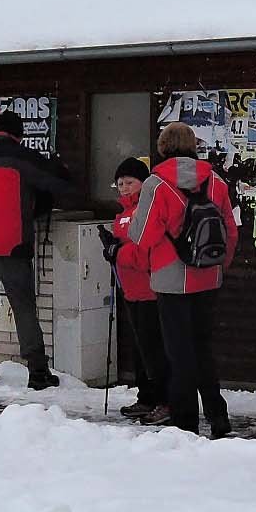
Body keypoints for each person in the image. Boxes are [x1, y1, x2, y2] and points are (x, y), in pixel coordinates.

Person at [129, 122, 240, 437]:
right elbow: (230, 230)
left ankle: (185, 423)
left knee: (178, 353)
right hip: (208, 275)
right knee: (203, 348)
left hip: (171, 278)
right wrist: (220, 266)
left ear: (163, 147)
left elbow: (143, 235)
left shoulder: (156, 184)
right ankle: (218, 415)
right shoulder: (216, 181)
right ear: (194, 145)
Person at [0, 109, 74, 389]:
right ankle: (37, 371)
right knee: (23, 307)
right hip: (13, 242)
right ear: (19, 133)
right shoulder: (24, 157)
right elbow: (59, 184)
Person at [104, 158, 165, 419]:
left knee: (154, 349)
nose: (125, 188)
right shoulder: (121, 214)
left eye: (130, 182)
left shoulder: (146, 210)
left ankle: (164, 399)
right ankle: (146, 397)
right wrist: (111, 247)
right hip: (130, 289)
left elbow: (144, 252)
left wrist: (117, 251)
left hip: (151, 289)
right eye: (120, 183)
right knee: (140, 349)